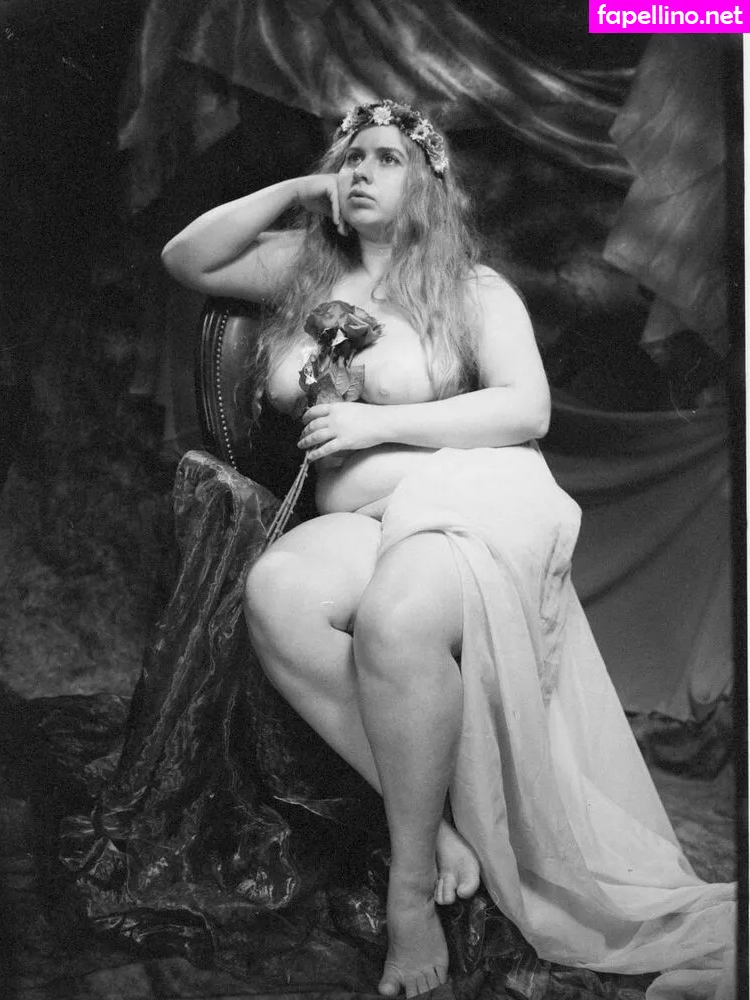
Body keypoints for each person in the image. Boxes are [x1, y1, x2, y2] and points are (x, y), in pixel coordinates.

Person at [161, 100, 735, 1000]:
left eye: (387, 158)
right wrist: (305, 186)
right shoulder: (304, 272)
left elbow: (524, 409)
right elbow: (186, 257)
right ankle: (431, 831)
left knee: (394, 621)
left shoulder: (472, 289)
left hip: (468, 500)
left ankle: (410, 898)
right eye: (351, 157)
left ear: (429, 183)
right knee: (275, 592)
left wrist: (376, 423)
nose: (361, 170)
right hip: (359, 522)